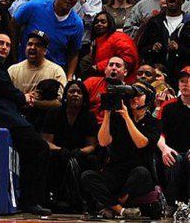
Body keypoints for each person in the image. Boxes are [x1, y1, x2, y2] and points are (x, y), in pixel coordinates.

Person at [0, 32, 51, 215]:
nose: (4, 47)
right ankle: (30, 201)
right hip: (3, 117)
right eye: (0, 43)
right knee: (39, 147)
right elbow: (5, 89)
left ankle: (27, 198)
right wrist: (24, 97)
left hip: (9, 114)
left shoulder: (0, 66)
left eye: (8, 45)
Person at [80, 82, 163, 219]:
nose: (134, 98)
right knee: (87, 176)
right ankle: (121, 210)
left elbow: (141, 143)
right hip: (116, 171)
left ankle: (110, 206)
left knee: (140, 172)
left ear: (148, 98)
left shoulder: (153, 123)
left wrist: (127, 118)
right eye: (132, 95)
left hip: (140, 174)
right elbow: (103, 142)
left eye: (139, 95)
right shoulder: (117, 117)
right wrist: (107, 114)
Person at [41, 80, 98, 212]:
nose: (75, 94)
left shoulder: (89, 116)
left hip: (80, 154)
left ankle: (84, 200)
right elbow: (46, 141)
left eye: (79, 92)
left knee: (91, 160)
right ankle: (52, 198)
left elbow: (92, 145)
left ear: (84, 97)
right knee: (50, 158)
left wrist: (81, 151)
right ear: (66, 95)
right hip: (57, 152)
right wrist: (60, 149)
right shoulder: (54, 113)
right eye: (72, 91)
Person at [12, 0, 85, 78]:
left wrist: (69, 77)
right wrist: (14, 54)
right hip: (26, 66)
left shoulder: (77, 24)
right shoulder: (35, 5)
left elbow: (74, 53)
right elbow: (14, 24)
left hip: (53, 73)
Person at [158, 65, 190, 207]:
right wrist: (164, 149)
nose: (185, 84)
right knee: (173, 158)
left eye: (189, 81)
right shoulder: (168, 106)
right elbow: (158, 133)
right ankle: (172, 204)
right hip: (173, 150)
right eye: (182, 81)